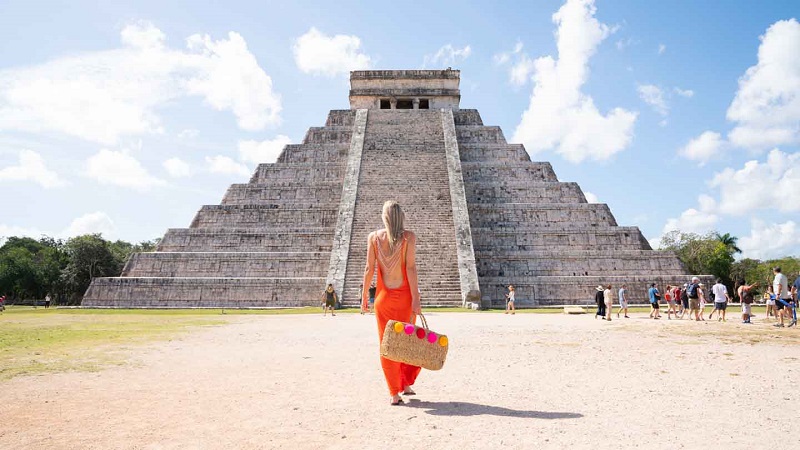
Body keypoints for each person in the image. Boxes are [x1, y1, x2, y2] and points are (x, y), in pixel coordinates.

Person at [361, 201, 421, 406]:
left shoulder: (373, 238)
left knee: (387, 344)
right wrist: (416, 300)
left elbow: (369, 269)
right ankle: (404, 384)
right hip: (404, 299)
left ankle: (394, 392)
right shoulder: (408, 238)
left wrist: (364, 297)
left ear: (384, 217)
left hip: (383, 300)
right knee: (405, 343)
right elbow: (411, 268)